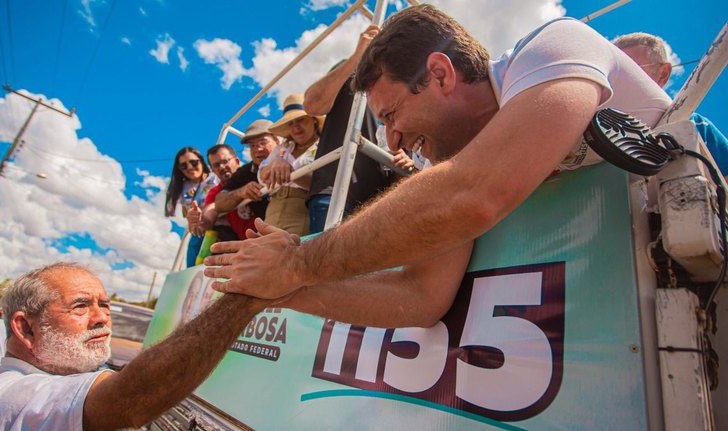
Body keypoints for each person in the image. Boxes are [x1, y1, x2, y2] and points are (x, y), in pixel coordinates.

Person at [203, 5, 671, 328]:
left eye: (389, 116)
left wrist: (299, 262)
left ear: (441, 74)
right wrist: (287, 292)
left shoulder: (556, 43)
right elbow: (421, 296)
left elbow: (474, 195)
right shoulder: (448, 160)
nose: (392, 141)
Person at [0, 262, 266, 430]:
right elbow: (132, 399)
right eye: (80, 306)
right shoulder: (11, 394)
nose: (101, 318)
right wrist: (248, 297)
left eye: (104, 305)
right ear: (26, 328)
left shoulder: (63, 373)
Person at [304, 25, 412, 234]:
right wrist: (357, 57)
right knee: (328, 264)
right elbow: (312, 105)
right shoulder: (350, 71)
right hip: (334, 191)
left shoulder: (405, 89)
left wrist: (408, 160)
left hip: (379, 204)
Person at [613, 32, 728, 177]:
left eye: (631, 69)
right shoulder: (592, 134)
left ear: (662, 74)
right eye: (613, 72)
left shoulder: (694, 124)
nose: (619, 80)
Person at [259, 94, 323, 236]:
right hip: (272, 210)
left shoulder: (324, 145)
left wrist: (288, 172)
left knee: (289, 252)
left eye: (300, 120)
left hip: (302, 209)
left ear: (313, 120)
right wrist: (276, 163)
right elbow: (262, 176)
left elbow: (322, 183)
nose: (296, 128)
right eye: (291, 123)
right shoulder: (283, 147)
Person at [214, 119, 279, 238]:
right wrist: (241, 192)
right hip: (267, 236)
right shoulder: (246, 172)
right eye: (252, 145)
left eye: (263, 142)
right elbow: (219, 203)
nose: (258, 149)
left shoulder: (295, 158)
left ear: (277, 141)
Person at [164, 147, 219, 267]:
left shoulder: (215, 177)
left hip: (217, 230)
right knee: (192, 268)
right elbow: (186, 214)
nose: (189, 167)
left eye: (194, 162)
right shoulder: (182, 187)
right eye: (183, 166)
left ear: (201, 160)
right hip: (197, 235)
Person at [186, 144, 243, 243]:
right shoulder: (215, 192)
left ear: (237, 161)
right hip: (246, 245)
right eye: (216, 165)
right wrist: (199, 219)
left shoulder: (254, 174)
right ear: (213, 170)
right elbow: (209, 216)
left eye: (225, 161)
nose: (221, 167)